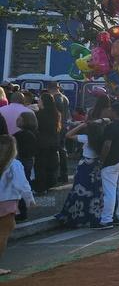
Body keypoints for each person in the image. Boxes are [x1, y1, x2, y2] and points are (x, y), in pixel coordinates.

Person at [58, 119, 105, 228]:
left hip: (84, 166)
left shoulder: (86, 138)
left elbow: (68, 135)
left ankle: (75, 216)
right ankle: (94, 216)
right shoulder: (101, 139)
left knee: (79, 191)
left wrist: (81, 125)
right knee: (95, 192)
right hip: (96, 166)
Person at [0, 135, 35, 276]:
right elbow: (22, 184)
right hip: (7, 201)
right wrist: (29, 200)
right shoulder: (14, 164)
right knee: (3, 234)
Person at [33, 93, 61, 193]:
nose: (38, 102)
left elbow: (36, 129)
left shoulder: (39, 114)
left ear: (43, 101)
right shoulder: (56, 113)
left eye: (39, 100)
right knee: (50, 165)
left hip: (41, 143)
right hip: (53, 142)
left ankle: (40, 187)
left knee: (40, 166)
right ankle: (49, 184)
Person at [12, 113, 36, 221]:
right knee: (25, 183)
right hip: (29, 160)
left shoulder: (18, 135)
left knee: (18, 186)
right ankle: (23, 210)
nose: (17, 120)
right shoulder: (34, 134)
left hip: (21, 160)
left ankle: (20, 211)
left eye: (20, 119)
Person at [47, 82, 70, 183]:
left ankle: (57, 175)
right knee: (62, 150)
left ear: (50, 89)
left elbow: (58, 110)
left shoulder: (57, 98)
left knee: (57, 151)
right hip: (63, 126)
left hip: (58, 128)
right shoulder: (64, 97)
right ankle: (64, 175)